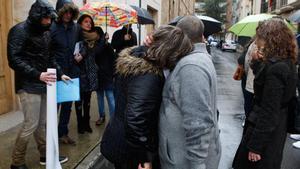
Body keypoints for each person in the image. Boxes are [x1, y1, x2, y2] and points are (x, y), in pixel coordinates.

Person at [100, 25, 193, 169]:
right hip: (130, 152)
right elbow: (136, 120)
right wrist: (144, 159)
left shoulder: (138, 55)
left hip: (121, 139)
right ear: (170, 50)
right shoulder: (148, 75)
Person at [7, 0, 70, 168]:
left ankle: (45, 155)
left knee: (41, 124)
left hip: (44, 83)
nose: (49, 22)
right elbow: (14, 59)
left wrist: (61, 74)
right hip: (28, 85)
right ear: (37, 16)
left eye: (51, 19)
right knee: (31, 124)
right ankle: (17, 162)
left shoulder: (46, 33)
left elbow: (50, 57)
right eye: (46, 19)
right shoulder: (19, 31)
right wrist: (38, 74)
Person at [232, 18, 298, 169]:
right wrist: (257, 63)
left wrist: (256, 146)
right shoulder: (285, 62)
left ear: (271, 39)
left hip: (266, 132)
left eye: (260, 38)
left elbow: (269, 110)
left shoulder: (277, 68)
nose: (257, 42)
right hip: (274, 127)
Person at [158, 15, 221, 169]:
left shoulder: (191, 66)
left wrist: (197, 164)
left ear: (179, 36)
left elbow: (198, 122)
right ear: (202, 37)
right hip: (182, 158)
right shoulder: (195, 59)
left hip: (185, 162)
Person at [50, 0, 80, 145]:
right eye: (65, 11)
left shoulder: (75, 28)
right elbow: (48, 54)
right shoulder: (51, 27)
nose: (68, 15)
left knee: (67, 106)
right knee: (54, 107)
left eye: (70, 12)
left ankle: (63, 133)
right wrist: (59, 71)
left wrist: (82, 53)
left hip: (71, 72)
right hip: (55, 74)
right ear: (60, 11)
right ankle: (50, 137)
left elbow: (83, 44)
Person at [75, 14, 101, 134]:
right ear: (80, 23)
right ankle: (80, 124)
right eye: (85, 21)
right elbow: (77, 58)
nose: (88, 24)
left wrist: (103, 41)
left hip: (90, 74)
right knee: (79, 101)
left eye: (90, 22)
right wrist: (85, 49)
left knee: (88, 101)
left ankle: (86, 122)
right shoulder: (76, 38)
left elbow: (97, 54)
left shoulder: (94, 39)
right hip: (79, 74)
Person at [94, 27, 116, 125]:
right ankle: (102, 116)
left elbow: (114, 60)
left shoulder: (108, 46)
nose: (94, 36)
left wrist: (113, 74)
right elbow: (96, 53)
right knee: (99, 97)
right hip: (98, 76)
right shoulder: (94, 45)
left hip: (107, 76)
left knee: (110, 97)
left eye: (96, 34)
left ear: (100, 34)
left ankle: (114, 119)